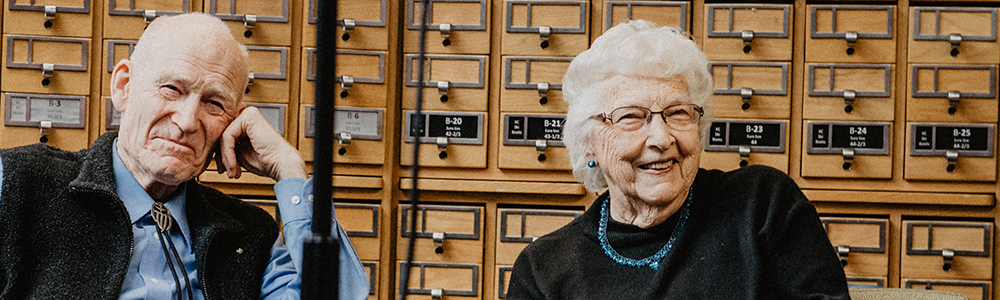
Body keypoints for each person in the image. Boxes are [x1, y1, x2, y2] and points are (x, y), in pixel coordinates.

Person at [0, 13, 368, 299]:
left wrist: (290, 171)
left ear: (233, 122)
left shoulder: (250, 236)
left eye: (214, 103)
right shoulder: (19, 184)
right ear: (124, 86)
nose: (188, 121)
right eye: (172, 89)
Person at [505, 20, 850, 299]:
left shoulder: (761, 204)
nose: (661, 138)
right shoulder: (543, 270)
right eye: (631, 117)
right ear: (589, 144)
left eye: (678, 113)